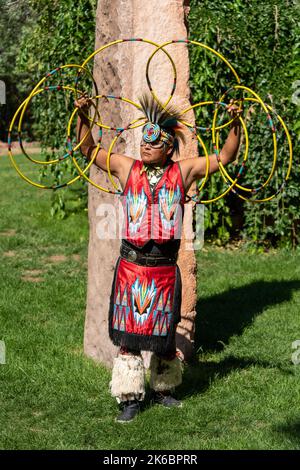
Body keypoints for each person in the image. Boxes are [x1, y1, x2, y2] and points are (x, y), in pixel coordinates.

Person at [75, 93, 241, 422]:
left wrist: (235, 123)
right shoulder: (126, 167)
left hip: (164, 268)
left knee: (164, 334)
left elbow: (224, 157)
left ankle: (164, 389)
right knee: (129, 336)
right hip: (131, 268)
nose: (146, 146)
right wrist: (83, 114)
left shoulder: (183, 171)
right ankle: (129, 397)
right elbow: (89, 150)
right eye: (143, 141)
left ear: (168, 147)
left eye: (154, 142)